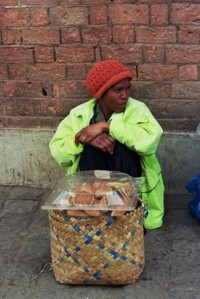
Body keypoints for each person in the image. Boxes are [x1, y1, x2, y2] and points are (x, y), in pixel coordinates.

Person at [49, 59, 164, 230]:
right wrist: (82, 139)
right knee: (91, 146)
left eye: (127, 88)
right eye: (118, 90)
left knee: (120, 145)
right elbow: (59, 154)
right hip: (93, 181)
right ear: (100, 94)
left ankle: (126, 209)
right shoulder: (79, 114)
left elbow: (149, 143)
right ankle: (94, 209)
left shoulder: (138, 110)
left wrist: (107, 127)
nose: (125, 95)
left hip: (128, 176)